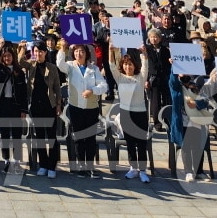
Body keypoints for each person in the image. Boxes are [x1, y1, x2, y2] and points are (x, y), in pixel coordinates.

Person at [57, 42, 108, 178]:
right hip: (76, 107)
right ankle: (81, 165)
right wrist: (62, 48)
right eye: (76, 51)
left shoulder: (94, 69)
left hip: (91, 108)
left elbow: (104, 86)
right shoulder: (70, 66)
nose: (79, 54)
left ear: (86, 54)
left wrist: (93, 90)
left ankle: (90, 166)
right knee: (79, 138)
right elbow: (60, 64)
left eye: (82, 51)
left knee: (90, 138)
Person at [0, 40, 28, 173]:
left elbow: (24, 93)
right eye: (5, 56)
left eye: (9, 56)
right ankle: (7, 160)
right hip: (3, 106)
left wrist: (24, 110)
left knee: (17, 135)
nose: (7, 58)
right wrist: (0, 47)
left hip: (16, 106)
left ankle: (17, 160)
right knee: (6, 135)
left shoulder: (19, 72)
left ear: (13, 57)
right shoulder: (0, 69)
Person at [108, 43, 150, 182]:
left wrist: (143, 52)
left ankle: (143, 170)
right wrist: (110, 50)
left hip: (140, 113)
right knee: (130, 143)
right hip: (126, 113)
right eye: (126, 65)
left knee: (141, 143)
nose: (128, 67)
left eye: (130, 64)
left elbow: (145, 65)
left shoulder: (140, 77)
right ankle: (133, 168)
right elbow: (112, 65)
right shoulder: (120, 78)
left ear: (134, 66)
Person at [20, 40, 61, 178]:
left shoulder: (52, 67)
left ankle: (52, 165)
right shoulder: (31, 65)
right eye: (35, 51)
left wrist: (59, 105)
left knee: (51, 137)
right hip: (36, 106)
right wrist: (22, 47)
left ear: (45, 52)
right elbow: (19, 62)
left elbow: (57, 88)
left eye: (40, 51)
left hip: (50, 105)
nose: (38, 54)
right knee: (40, 137)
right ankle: (43, 164)